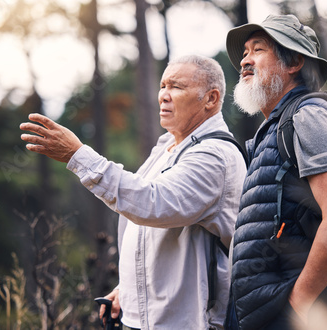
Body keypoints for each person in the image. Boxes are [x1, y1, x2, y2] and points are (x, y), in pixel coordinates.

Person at [20, 55, 247, 329]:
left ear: (210, 99)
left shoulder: (214, 155)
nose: (163, 95)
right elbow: (151, 236)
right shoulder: (168, 148)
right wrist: (130, 292)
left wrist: (77, 156)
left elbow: (152, 203)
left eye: (176, 87)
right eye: (162, 86)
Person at [224, 15, 327, 329]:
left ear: (295, 62)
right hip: (264, 312)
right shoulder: (272, 130)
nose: (245, 61)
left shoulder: (309, 116)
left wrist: (298, 304)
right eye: (244, 52)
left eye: (258, 50)